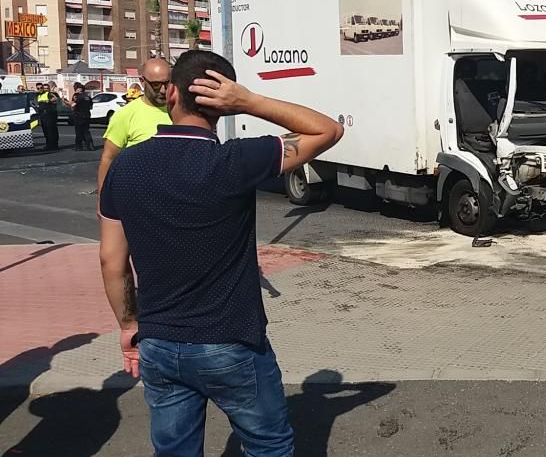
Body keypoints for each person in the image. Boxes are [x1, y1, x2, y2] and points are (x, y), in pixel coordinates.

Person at [99, 50, 344, 455]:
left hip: (158, 340)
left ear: (171, 94)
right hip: (230, 340)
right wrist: (249, 101)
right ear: (222, 103)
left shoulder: (125, 166)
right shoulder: (235, 160)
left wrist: (128, 326)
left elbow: (111, 259)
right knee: (268, 446)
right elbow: (327, 130)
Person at [97, 59, 172, 194]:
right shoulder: (125, 115)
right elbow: (108, 158)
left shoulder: (181, 110)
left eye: (167, 83)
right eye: (156, 85)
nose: (163, 90)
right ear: (142, 82)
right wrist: (102, 200)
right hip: (138, 196)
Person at [64, 82, 95, 151]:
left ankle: (78, 146)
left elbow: (73, 105)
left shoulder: (79, 97)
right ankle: (90, 146)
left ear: (79, 89)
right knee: (86, 131)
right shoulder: (88, 97)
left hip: (79, 115)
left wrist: (65, 102)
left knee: (78, 132)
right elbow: (91, 107)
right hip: (87, 115)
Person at [35, 83, 60, 150]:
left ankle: (53, 145)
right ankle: (49, 145)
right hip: (42, 115)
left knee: (51, 131)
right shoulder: (38, 96)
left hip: (49, 114)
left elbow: (55, 98)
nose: (40, 89)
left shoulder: (48, 93)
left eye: (41, 88)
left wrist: (48, 101)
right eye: (38, 88)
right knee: (45, 131)